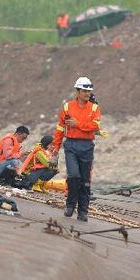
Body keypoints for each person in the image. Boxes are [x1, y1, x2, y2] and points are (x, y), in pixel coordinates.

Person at [52, 76, 101, 221]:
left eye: (89, 91)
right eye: (85, 91)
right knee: (73, 176)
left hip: (86, 146)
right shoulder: (68, 107)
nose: (87, 93)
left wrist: (77, 123)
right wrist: (56, 148)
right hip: (71, 145)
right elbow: (60, 128)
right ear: (78, 91)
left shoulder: (94, 108)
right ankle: (70, 205)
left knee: (85, 180)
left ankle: (83, 211)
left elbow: (95, 125)